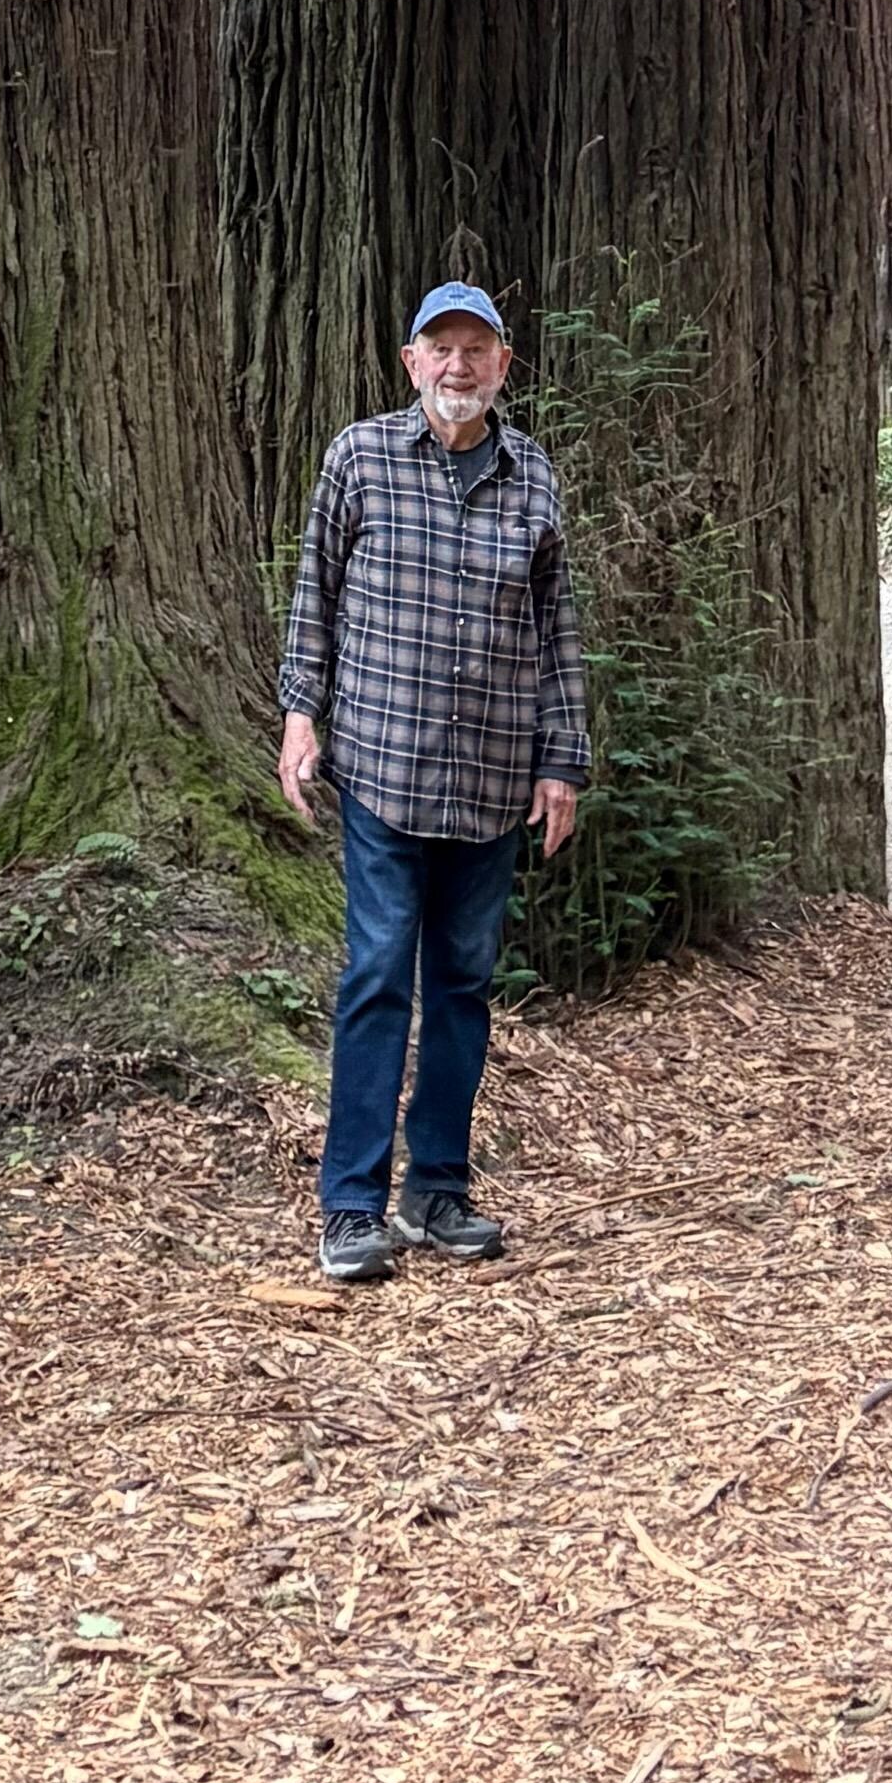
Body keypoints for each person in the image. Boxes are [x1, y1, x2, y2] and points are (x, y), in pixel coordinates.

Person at [274, 281, 590, 1287]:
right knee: (377, 977)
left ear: (504, 365)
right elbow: (316, 594)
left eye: (476, 350)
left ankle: (437, 1190)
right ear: (411, 362)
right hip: (384, 768)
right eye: (440, 348)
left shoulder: (532, 477)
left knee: (461, 986)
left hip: (493, 780)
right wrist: (299, 715)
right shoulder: (360, 457)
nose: (459, 366)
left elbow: (556, 631)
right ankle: (351, 1205)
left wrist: (563, 761)